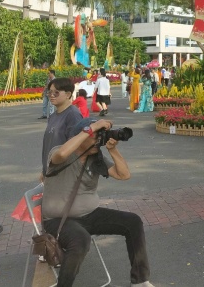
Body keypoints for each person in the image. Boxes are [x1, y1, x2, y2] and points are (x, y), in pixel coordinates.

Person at [43, 118, 154, 287]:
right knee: (80, 239)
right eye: (95, 136)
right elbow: (62, 155)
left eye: (99, 136)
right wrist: (92, 128)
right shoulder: (60, 151)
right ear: (80, 135)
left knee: (133, 221)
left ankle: (140, 281)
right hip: (59, 221)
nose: (98, 140)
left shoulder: (96, 158)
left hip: (90, 215)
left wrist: (113, 150)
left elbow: (124, 175)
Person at [42, 78, 84, 176]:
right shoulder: (53, 116)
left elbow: (76, 147)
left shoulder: (73, 115)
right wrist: (44, 170)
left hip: (64, 172)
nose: (51, 95)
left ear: (68, 94)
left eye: (56, 93)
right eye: (50, 92)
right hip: (51, 170)